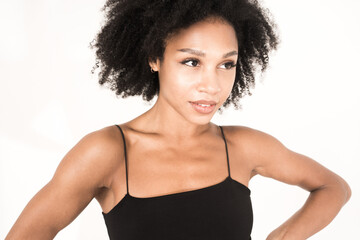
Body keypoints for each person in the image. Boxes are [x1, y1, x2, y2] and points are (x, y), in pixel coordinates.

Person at [6, 0, 351, 239]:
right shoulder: (107, 151)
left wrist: (283, 237)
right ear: (155, 57)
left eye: (226, 64)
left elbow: (333, 187)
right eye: (191, 62)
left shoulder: (243, 146)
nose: (212, 85)